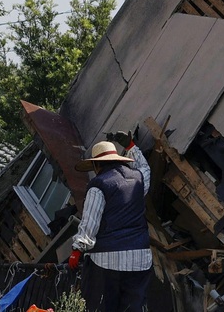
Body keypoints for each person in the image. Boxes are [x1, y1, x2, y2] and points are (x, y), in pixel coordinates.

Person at [68, 131, 151, 312]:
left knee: (103, 307)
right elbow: (145, 168)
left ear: (96, 165)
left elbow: (90, 224)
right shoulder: (138, 180)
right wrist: (131, 146)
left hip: (107, 260)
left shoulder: (99, 185)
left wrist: (77, 249)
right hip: (141, 257)